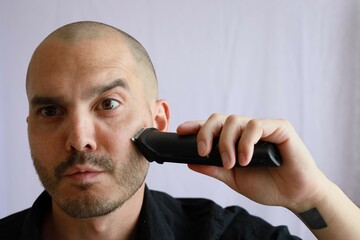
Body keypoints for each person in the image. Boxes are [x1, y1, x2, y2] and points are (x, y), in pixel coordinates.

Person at [0, 21, 359, 240]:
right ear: (30, 127)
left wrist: (314, 198)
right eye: (50, 110)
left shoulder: (222, 235)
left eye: (108, 104)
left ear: (157, 123)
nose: (79, 139)